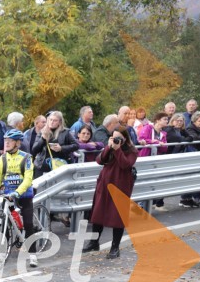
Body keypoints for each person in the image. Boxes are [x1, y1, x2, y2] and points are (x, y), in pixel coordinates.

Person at [82, 126, 138, 259]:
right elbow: (99, 160)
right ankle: (94, 242)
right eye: (114, 137)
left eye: (119, 138)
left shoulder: (132, 151)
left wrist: (118, 150)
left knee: (118, 215)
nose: (116, 140)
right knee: (98, 212)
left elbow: (125, 164)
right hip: (105, 183)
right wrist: (109, 147)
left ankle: (115, 247)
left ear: (125, 138)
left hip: (121, 185)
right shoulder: (111, 146)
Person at [0, 129, 38, 267]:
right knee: (5, 223)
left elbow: (28, 178)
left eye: (10, 141)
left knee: (28, 224)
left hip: (23, 195)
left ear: (18, 143)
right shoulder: (2, 158)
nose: (7, 144)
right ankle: (2, 253)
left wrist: (18, 192)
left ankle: (33, 255)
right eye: (5, 141)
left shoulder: (26, 157)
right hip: (8, 195)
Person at [31, 110, 78, 179]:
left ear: (59, 122)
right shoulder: (42, 132)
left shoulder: (65, 132)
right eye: (50, 120)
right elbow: (34, 150)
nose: (52, 122)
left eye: (55, 120)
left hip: (59, 166)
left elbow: (76, 145)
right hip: (42, 166)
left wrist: (61, 148)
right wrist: (43, 138)